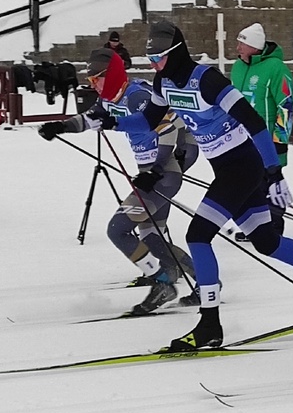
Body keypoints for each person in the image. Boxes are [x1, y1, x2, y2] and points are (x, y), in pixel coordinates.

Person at [111, 20, 293, 351]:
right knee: (266, 242)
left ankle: (209, 323)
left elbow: (253, 121)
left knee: (197, 235)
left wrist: (274, 173)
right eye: (150, 59)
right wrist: (111, 120)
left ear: (175, 53)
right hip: (227, 168)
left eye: (159, 58)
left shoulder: (207, 80)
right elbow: (147, 120)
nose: (154, 65)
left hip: (242, 166)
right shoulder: (163, 81)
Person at [38, 48, 199, 314]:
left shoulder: (136, 96)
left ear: (111, 75)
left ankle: (163, 282)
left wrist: (157, 170)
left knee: (118, 228)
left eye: (97, 78)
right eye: (90, 81)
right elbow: (92, 119)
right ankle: (205, 282)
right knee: (152, 238)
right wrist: (61, 126)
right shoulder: (110, 97)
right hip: (152, 172)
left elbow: (167, 127)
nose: (94, 85)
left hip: (164, 171)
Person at [231, 22, 293, 238]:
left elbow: (286, 105)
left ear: (255, 47)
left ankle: (273, 227)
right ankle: (255, 226)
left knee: (269, 182)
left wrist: (279, 139)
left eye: (243, 43)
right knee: (247, 184)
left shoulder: (276, 68)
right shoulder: (237, 67)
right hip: (241, 140)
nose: (238, 47)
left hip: (266, 138)